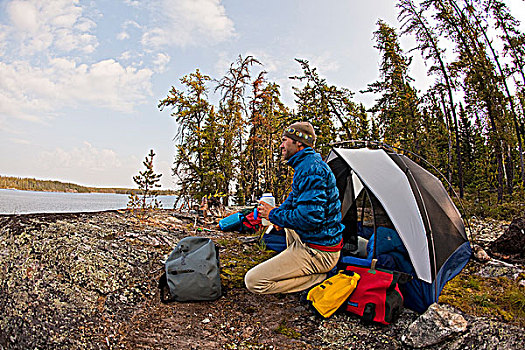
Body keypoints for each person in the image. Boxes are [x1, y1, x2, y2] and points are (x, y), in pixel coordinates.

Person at [244, 121, 344, 294]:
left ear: (298, 142)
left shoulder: (311, 169)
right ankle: (296, 262)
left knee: (254, 281)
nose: (281, 145)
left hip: (320, 251)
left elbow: (310, 218)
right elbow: (293, 200)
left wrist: (273, 214)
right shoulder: (305, 165)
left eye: (285, 140)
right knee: (286, 221)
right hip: (315, 240)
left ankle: (318, 278)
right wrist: (276, 215)